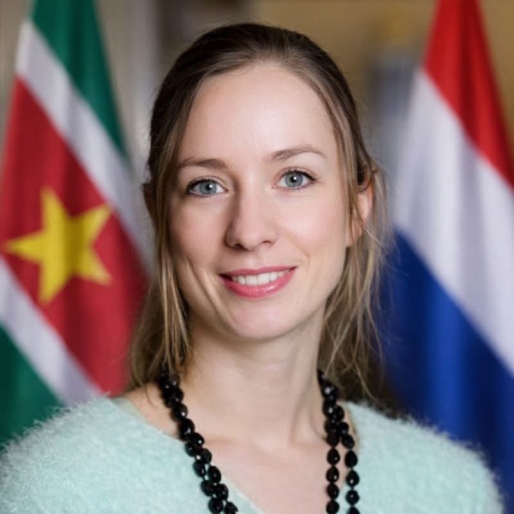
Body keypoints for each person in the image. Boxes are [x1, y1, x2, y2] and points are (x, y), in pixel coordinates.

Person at [0, 23, 502, 514]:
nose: (249, 230)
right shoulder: (56, 490)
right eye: (207, 186)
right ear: (159, 215)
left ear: (357, 206)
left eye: (294, 177)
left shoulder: (452, 491)